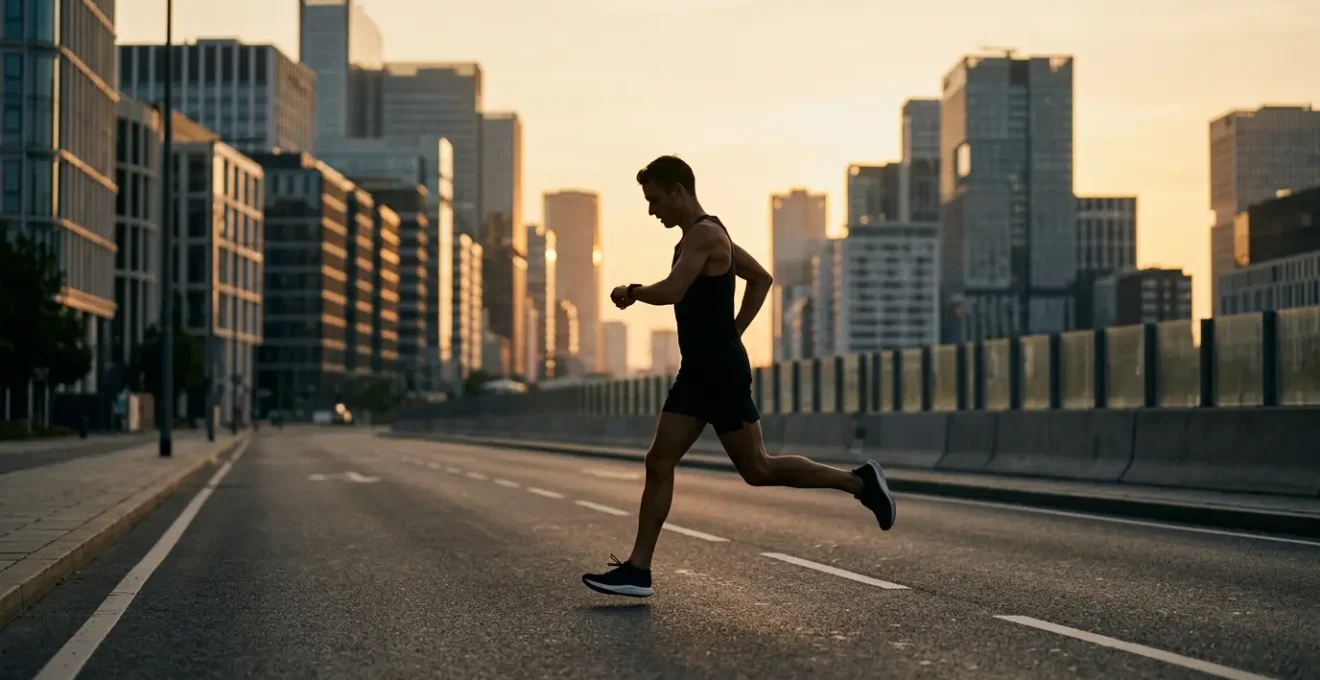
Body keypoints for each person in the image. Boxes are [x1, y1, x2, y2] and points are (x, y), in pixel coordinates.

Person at [581, 155, 896, 598]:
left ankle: (859, 482)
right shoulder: (705, 236)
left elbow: (673, 290)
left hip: (717, 372)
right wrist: (735, 331)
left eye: (655, 200)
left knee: (757, 467)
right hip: (702, 369)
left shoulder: (705, 235)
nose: (652, 211)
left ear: (678, 190)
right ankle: (638, 569)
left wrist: (632, 292)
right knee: (666, 461)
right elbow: (761, 279)